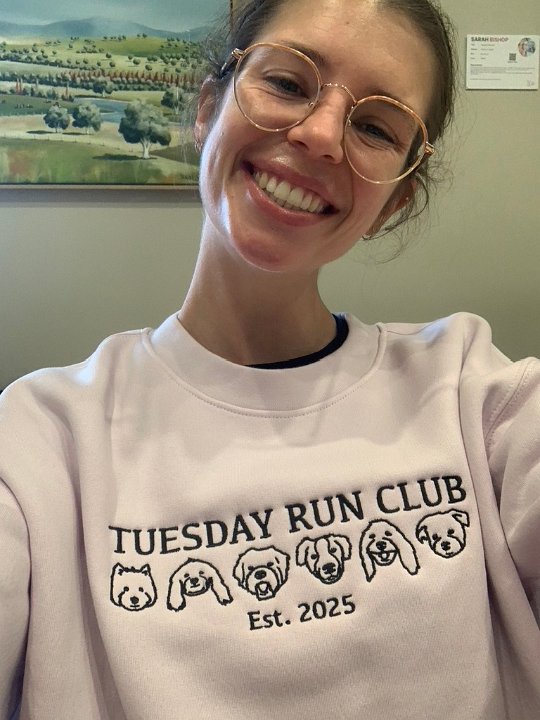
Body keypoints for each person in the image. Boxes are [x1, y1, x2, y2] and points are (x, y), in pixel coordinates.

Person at [1, 0, 539, 718]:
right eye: (286, 83)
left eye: (375, 127)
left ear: (395, 201)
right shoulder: (39, 438)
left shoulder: (475, 391)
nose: (320, 134)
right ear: (207, 110)